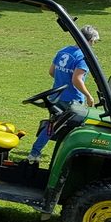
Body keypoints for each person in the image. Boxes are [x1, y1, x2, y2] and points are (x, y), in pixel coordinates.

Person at [26, 25, 100, 163]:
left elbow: (52, 72)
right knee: (77, 128)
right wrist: (89, 95)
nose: (93, 45)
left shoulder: (63, 51)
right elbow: (76, 79)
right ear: (89, 41)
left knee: (52, 126)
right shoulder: (83, 57)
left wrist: (62, 79)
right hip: (72, 100)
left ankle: (35, 152)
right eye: (94, 42)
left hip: (56, 96)